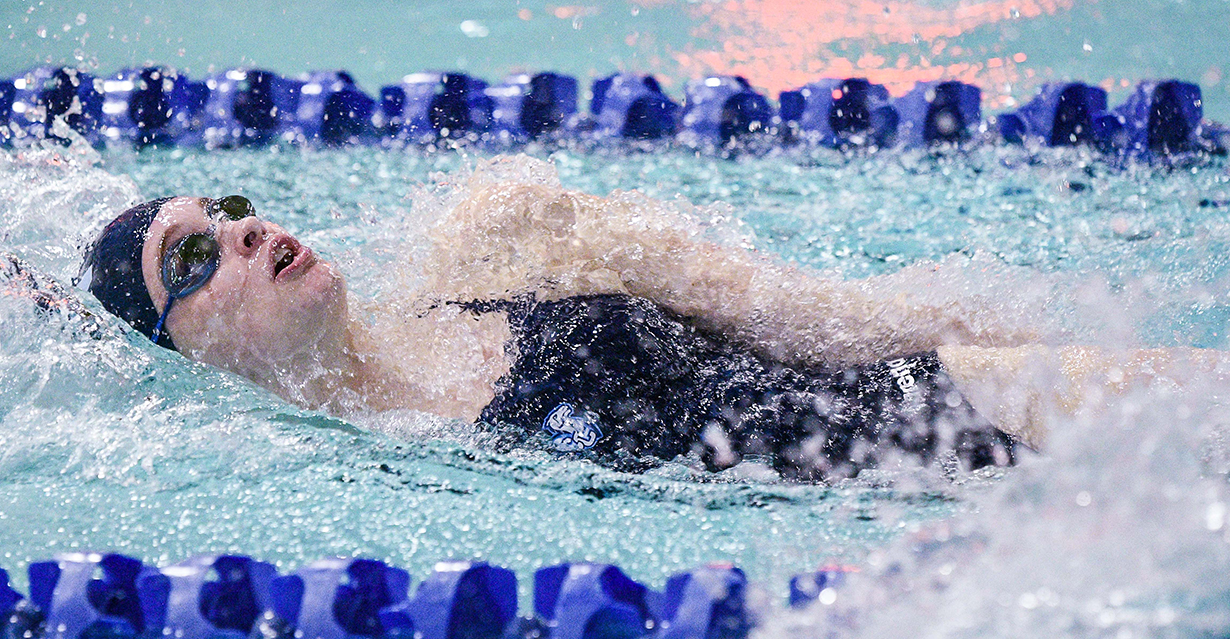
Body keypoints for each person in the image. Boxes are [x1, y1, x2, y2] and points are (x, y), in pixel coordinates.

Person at [78, 156, 1223, 482]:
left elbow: (835, 318)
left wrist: (1061, 344)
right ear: (189, 356)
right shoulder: (361, 470)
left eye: (227, 210)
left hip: (964, 403)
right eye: (193, 255)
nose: (242, 231)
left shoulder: (486, 242)